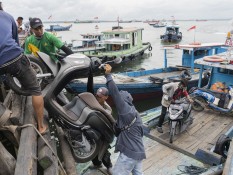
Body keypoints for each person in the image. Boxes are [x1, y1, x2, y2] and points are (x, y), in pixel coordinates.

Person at [0, 3, 47, 133]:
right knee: (36, 90)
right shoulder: (8, 17)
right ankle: (41, 126)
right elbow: (15, 42)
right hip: (13, 57)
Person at [104, 64, 146, 175]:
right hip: (139, 152)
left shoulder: (125, 110)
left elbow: (115, 92)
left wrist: (108, 75)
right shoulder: (134, 112)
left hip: (130, 154)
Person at [91, 87, 113, 174]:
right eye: (97, 95)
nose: (98, 97)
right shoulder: (92, 101)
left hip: (102, 131)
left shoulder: (107, 109)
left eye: (100, 96)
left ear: (106, 97)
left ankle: (109, 166)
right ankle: (97, 164)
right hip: (92, 129)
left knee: (103, 150)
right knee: (92, 148)